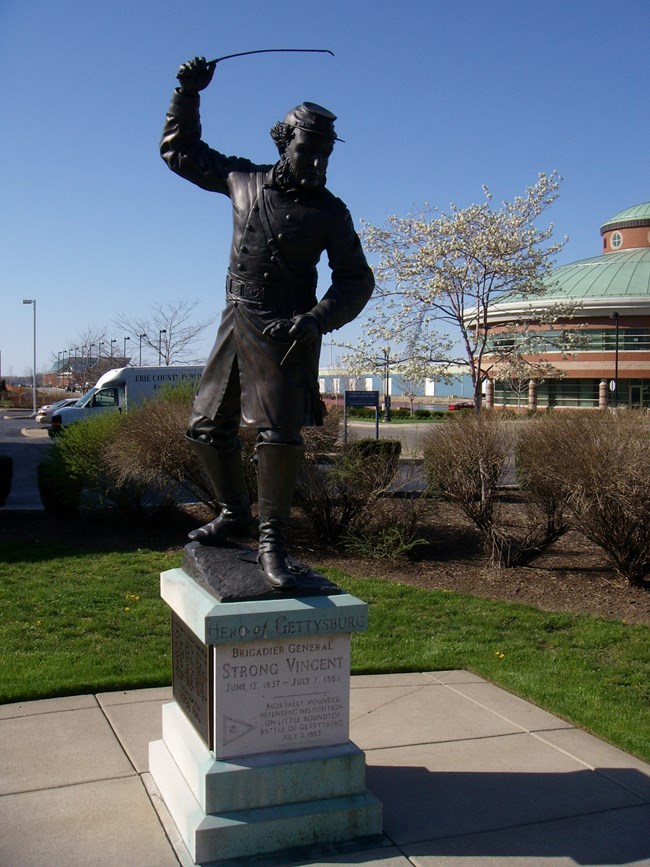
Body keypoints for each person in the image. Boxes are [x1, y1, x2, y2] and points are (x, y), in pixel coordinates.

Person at [161, 56, 374, 590]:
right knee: (207, 427)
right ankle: (235, 513)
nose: (319, 165)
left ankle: (274, 540)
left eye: (326, 156)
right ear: (285, 142)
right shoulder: (242, 180)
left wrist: (317, 320)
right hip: (235, 320)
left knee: (277, 435)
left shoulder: (330, 211)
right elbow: (180, 152)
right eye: (310, 152)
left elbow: (356, 279)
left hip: (286, 331)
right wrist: (188, 91)